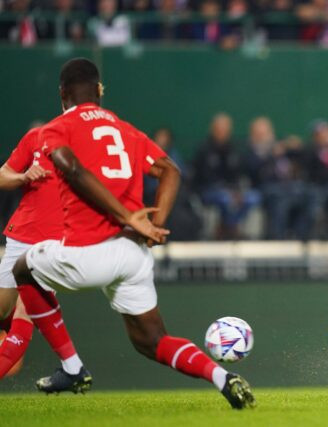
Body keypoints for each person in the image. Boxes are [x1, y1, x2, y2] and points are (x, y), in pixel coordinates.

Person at [11, 58, 255, 409]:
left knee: (22, 267)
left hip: (88, 252)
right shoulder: (126, 130)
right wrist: (152, 223)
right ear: (99, 91)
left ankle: (73, 367)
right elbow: (171, 171)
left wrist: (130, 216)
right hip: (132, 253)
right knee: (153, 341)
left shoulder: (56, 128)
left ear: (63, 94)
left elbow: (72, 167)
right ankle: (223, 378)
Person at [0, 127, 91, 390]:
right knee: (4, 310)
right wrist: (23, 177)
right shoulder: (36, 136)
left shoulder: (93, 143)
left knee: (24, 317)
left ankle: (72, 368)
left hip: (55, 246)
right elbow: (3, 174)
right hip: (22, 235)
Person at [193, 113, 260, 239]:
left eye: (226, 130)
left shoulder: (235, 149)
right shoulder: (203, 149)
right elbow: (202, 177)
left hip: (233, 189)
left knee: (252, 197)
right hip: (209, 190)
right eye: (219, 129)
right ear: (213, 129)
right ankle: (230, 230)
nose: (223, 133)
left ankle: (228, 226)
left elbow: (241, 174)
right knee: (224, 198)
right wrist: (226, 190)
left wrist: (237, 191)